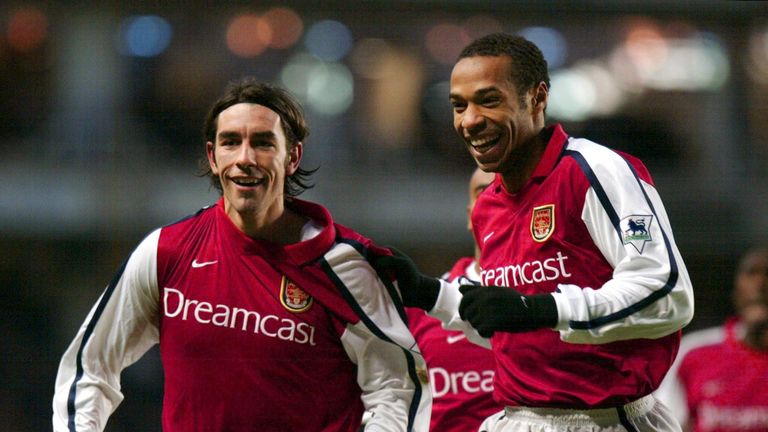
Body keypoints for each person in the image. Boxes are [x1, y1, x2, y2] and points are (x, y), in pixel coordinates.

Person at [52, 78, 432, 432]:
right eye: (231, 141)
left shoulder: (345, 266)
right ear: (213, 156)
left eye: (263, 143)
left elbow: (397, 387)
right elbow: (92, 366)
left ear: (292, 157)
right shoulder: (167, 251)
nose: (245, 157)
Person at [373, 32, 694, 431]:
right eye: (459, 105)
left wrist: (542, 309)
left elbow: (667, 294)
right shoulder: (489, 203)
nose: (469, 120)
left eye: (489, 100)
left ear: (538, 98)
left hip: (604, 419)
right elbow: (516, 332)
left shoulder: (594, 171)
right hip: (518, 419)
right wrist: (428, 294)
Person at [406, 167, 499, 431]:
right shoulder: (420, 311)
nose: (499, 201)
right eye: (486, 193)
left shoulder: (565, 306)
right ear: (471, 215)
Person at [655, 247, 768, 432]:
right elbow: (663, 425)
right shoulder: (694, 353)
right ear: (736, 293)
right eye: (751, 273)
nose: (761, 284)